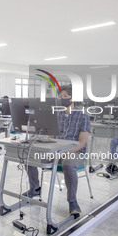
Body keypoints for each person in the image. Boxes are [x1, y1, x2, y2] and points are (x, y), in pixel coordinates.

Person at [24, 84, 90, 215]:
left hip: (75, 152)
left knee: (68, 163)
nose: (63, 99)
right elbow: (52, 136)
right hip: (56, 151)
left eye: (66, 96)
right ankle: (35, 188)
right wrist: (41, 138)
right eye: (61, 97)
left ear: (73, 98)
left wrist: (67, 152)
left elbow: (82, 142)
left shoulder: (83, 116)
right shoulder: (57, 115)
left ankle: (72, 202)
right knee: (29, 156)